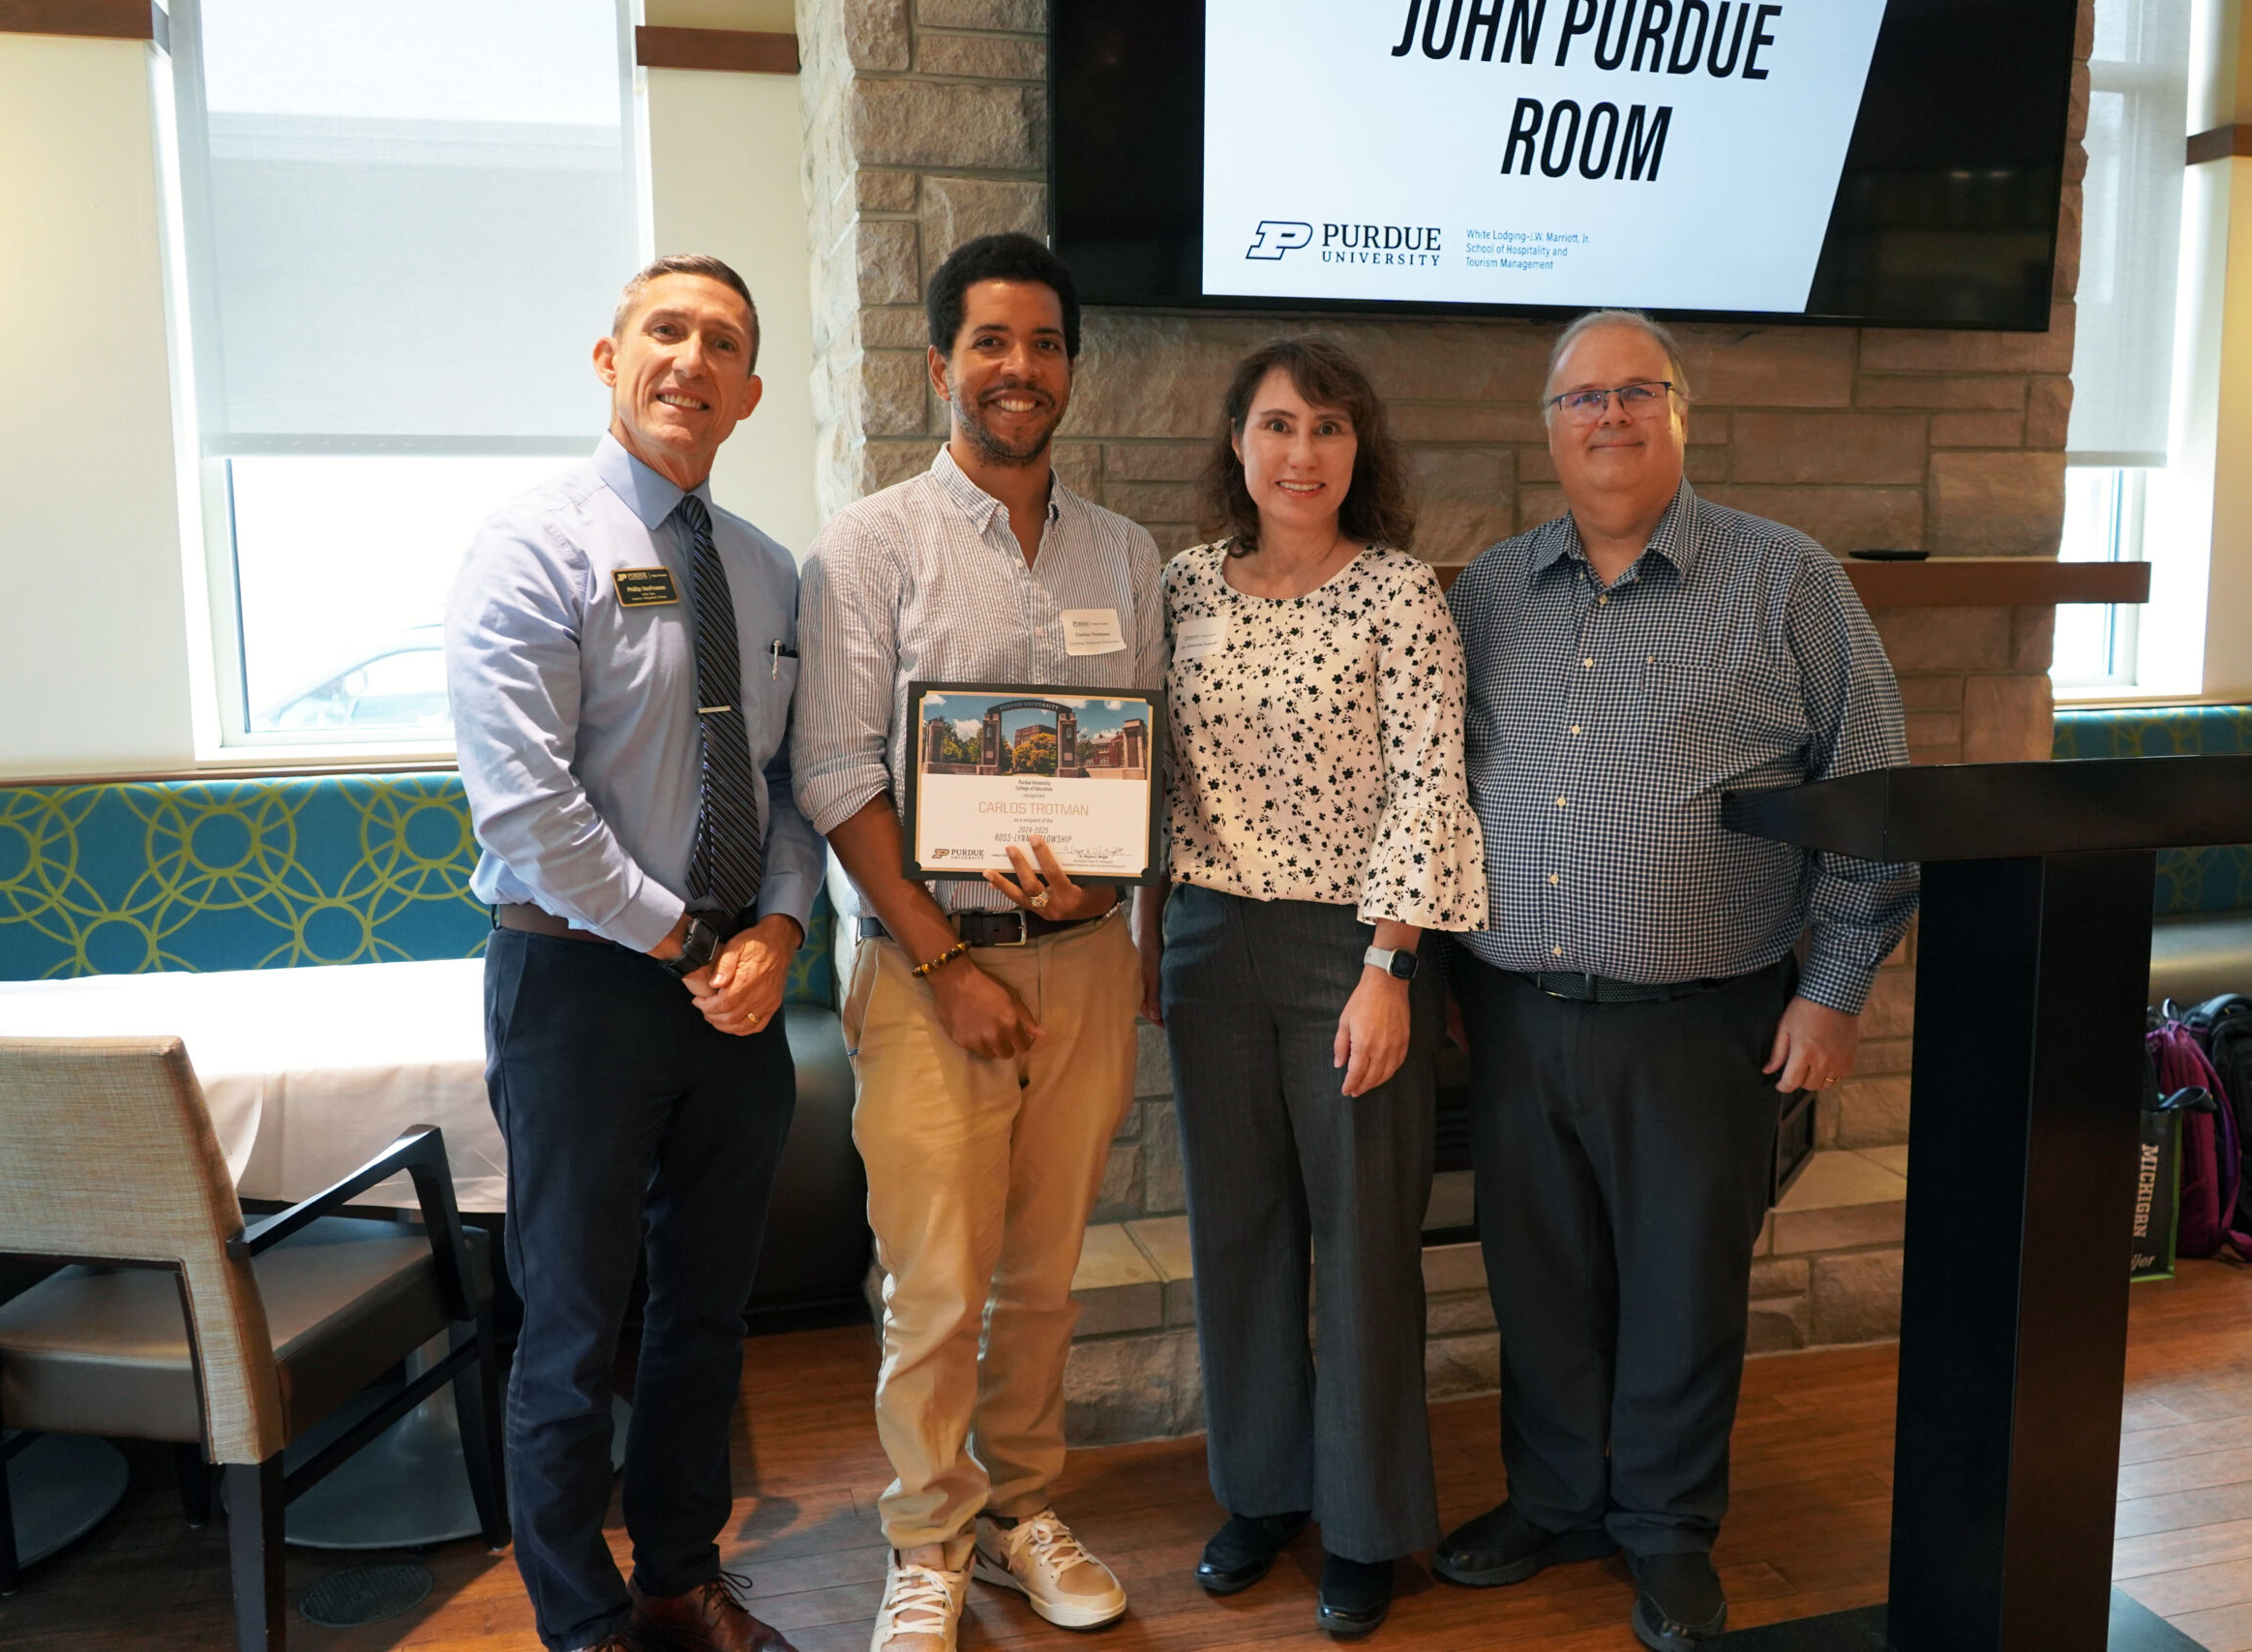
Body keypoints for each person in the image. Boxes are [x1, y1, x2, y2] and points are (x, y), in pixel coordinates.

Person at [1433, 310, 1918, 1650]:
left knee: (1681, 1289)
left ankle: (1665, 1532)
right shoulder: (1486, 593)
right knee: (1539, 1278)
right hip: (1516, 1016)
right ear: (1548, 428)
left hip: (1706, 1020)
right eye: (1580, 398)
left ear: (1680, 414)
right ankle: (1554, 1499)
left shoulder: (1788, 582)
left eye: (1635, 392)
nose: (1608, 417)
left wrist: (1833, 988)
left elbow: (1871, 796)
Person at [792, 232, 1165, 1652]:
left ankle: (1021, 1516)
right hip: (927, 975)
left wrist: (1108, 901)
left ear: (1072, 365)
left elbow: (1138, 769)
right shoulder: (872, 545)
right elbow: (833, 769)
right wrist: (946, 963)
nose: (1023, 369)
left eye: (1048, 343)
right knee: (936, 1287)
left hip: (1080, 968)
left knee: (1047, 1279)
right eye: (994, 344)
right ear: (938, 364)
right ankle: (928, 1536)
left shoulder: (1124, 555)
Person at [446, 255, 823, 1652]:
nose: (691, 359)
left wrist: (778, 930)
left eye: (722, 342)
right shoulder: (532, 544)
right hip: (582, 984)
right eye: (665, 331)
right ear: (609, 361)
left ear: (750, 393)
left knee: (704, 1321)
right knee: (571, 1324)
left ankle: (678, 1575)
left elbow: (784, 788)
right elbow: (525, 806)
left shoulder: (773, 572)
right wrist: (680, 938)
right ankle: (581, 1620)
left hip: (735, 994)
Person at [1134, 336, 1488, 1637]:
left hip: (1352, 950)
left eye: (1330, 428)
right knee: (1238, 1236)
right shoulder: (1181, 589)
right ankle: (1263, 1492)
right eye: (1279, 425)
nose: (1302, 453)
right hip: (1208, 944)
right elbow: (1156, 778)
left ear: (1360, 450)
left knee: (1361, 1243)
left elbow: (1428, 785)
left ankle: (1369, 1522)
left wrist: (1392, 967)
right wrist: (1145, 932)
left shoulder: (1399, 592)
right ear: (1236, 439)